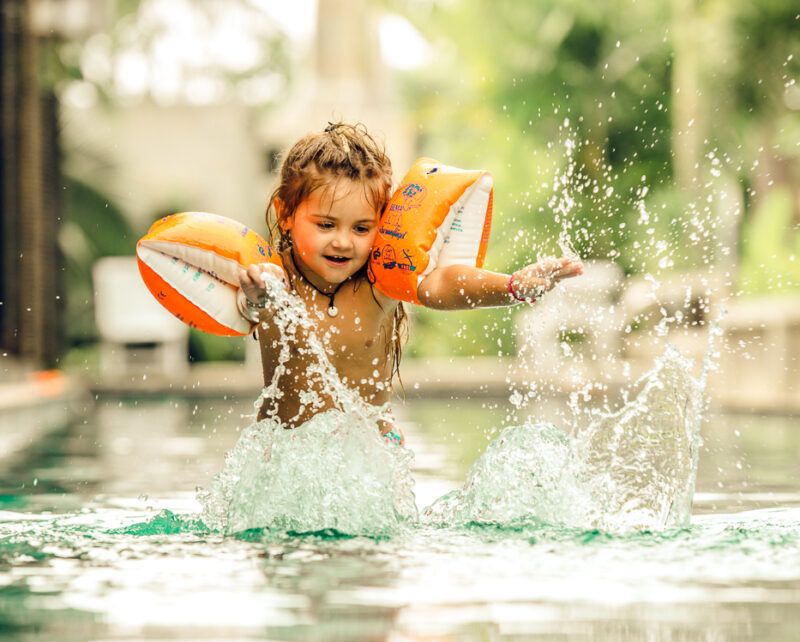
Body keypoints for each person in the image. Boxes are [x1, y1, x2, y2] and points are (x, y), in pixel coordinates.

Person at [238, 122, 582, 437]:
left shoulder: (381, 278)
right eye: (326, 225)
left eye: (361, 228)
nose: (343, 241)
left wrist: (512, 287)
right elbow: (248, 308)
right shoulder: (276, 278)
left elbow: (441, 285)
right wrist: (257, 296)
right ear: (285, 214)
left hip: (369, 458)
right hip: (283, 454)